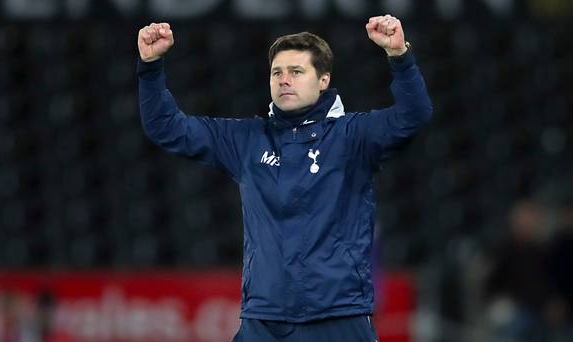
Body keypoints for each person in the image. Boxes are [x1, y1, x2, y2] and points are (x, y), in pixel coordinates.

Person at [137, 14, 432, 341]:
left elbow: (414, 115)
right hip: (265, 319)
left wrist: (399, 56)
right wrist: (151, 66)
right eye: (277, 72)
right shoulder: (247, 140)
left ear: (323, 80)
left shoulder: (353, 136)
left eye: (296, 71)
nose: (284, 80)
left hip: (338, 315)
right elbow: (167, 128)